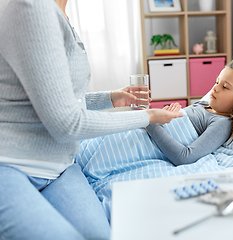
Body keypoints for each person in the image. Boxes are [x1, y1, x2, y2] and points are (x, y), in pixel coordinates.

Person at [0, 0, 182, 240]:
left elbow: (60, 99)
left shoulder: (60, 12)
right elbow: (67, 124)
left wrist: (110, 98)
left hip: (62, 167)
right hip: (12, 165)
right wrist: (147, 116)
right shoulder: (32, 7)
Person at [146, 60, 233, 166]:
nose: (215, 88)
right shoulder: (203, 104)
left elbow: (185, 157)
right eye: (217, 82)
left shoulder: (222, 123)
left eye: (225, 87)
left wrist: (151, 123)